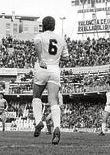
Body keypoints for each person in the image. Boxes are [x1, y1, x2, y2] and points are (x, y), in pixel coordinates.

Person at [32, 16, 69, 145]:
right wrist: (56, 57)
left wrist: (41, 58)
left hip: (42, 67)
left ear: (43, 26)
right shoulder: (61, 39)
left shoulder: (39, 36)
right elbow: (66, 58)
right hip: (55, 70)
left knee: (36, 96)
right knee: (53, 99)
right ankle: (57, 127)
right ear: (54, 26)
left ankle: (38, 122)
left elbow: (37, 43)